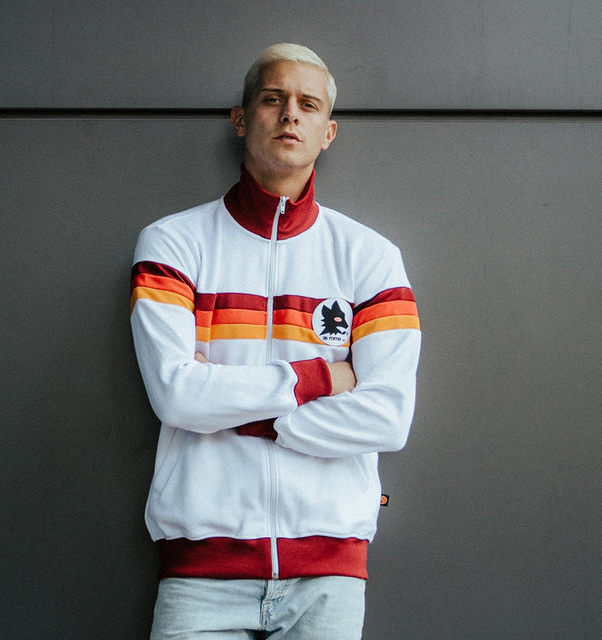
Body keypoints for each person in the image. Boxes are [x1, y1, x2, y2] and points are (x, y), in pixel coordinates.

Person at [130, 43, 421, 640]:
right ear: (241, 119)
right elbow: (177, 396)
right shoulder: (173, 244)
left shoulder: (371, 258)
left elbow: (389, 418)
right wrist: (323, 378)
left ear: (328, 132)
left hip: (329, 577)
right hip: (200, 578)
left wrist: (231, 406)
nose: (290, 113)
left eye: (308, 104)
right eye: (273, 99)